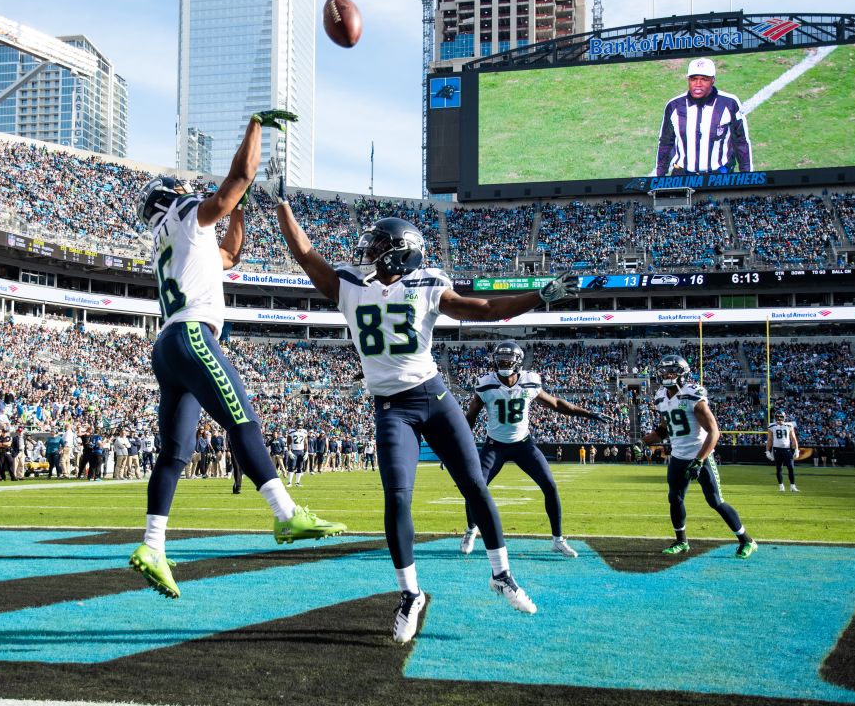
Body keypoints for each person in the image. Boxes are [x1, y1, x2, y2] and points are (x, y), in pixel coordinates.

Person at [272, 159, 582, 644]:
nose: (367, 251)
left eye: (377, 246)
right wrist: (282, 203)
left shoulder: (428, 284)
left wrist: (537, 296)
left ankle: (502, 574)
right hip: (392, 407)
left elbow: (488, 310)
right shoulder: (350, 285)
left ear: (398, 254)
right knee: (397, 496)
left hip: (434, 397)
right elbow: (304, 252)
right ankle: (410, 594)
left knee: (475, 485)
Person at [127, 109, 346, 600]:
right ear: (171, 199)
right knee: (243, 423)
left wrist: (239, 211)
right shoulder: (184, 216)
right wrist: (255, 126)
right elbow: (238, 178)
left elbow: (229, 255)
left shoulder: (174, 238)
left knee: (174, 452)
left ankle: (153, 546)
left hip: (167, 346)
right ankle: (287, 515)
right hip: (193, 335)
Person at [461, 340, 608, 558]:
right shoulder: (486, 384)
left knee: (549, 485)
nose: (503, 364)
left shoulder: (530, 381)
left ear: (518, 362)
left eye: (508, 360)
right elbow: (470, 418)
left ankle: (558, 539)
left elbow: (556, 404)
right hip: (495, 446)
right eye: (500, 360)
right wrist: (456, 447)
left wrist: (588, 413)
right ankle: (471, 530)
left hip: (523, 445)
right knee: (474, 488)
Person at [641, 355, 757, 559]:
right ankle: (681, 541)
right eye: (664, 371)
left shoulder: (692, 394)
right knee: (674, 499)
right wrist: (642, 442)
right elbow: (664, 429)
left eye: (672, 371)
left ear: (682, 373)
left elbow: (714, 432)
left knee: (715, 501)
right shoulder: (660, 395)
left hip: (699, 454)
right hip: (678, 456)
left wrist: (699, 460)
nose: (666, 375)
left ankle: (747, 540)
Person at [656, 57, 753, 177]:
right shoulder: (674, 106)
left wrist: (748, 176)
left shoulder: (729, 103)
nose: (698, 84)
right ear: (688, 80)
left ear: (713, 80)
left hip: (718, 176)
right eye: (693, 79)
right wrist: (659, 176)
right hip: (682, 176)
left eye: (704, 79)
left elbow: (741, 142)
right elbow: (665, 143)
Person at [766, 410, 800, 492]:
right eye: (778, 417)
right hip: (777, 450)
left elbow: (793, 438)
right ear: (775, 417)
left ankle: (792, 486)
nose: (779, 419)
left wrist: (796, 449)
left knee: (791, 468)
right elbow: (769, 439)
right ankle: (781, 486)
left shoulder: (789, 425)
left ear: (784, 417)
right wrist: (767, 451)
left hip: (787, 449)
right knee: (779, 468)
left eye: (781, 417)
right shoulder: (772, 426)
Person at [288, 421, 308, 486]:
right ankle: (289, 482)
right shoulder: (291, 431)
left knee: (300, 467)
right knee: (292, 467)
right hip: (294, 451)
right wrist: (289, 451)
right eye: (298, 425)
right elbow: (288, 442)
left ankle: (297, 482)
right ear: (296, 425)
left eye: (301, 425)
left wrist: (306, 452)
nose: (299, 426)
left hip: (301, 451)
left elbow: (305, 443)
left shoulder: (304, 432)